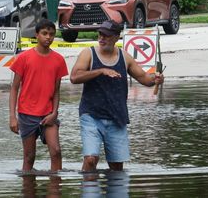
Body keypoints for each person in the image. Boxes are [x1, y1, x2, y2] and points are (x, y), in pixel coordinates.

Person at [70, 20, 164, 172]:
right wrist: (100, 71)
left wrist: (155, 79)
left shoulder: (125, 57)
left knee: (116, 167)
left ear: (116, 37)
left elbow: (145, 79)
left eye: (106, 35)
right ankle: (89, 192)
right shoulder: (88, 53)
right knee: (90, 159)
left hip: (117, 117)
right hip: (91, 115)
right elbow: (74, 77)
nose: (102, 38)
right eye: (100, 34)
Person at [9, 19, 68, 173]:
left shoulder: (59, 60)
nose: (48, 37)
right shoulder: (24, 58)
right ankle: (28, 189)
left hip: (48, 114)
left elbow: (56, 90)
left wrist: (55, 113)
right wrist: (12, 117)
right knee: (29, 156)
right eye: (44, 33)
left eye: (51, 34)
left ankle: (55, 189)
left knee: (56, 151)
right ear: (36, 35)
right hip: (27, 114)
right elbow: (14, 88)